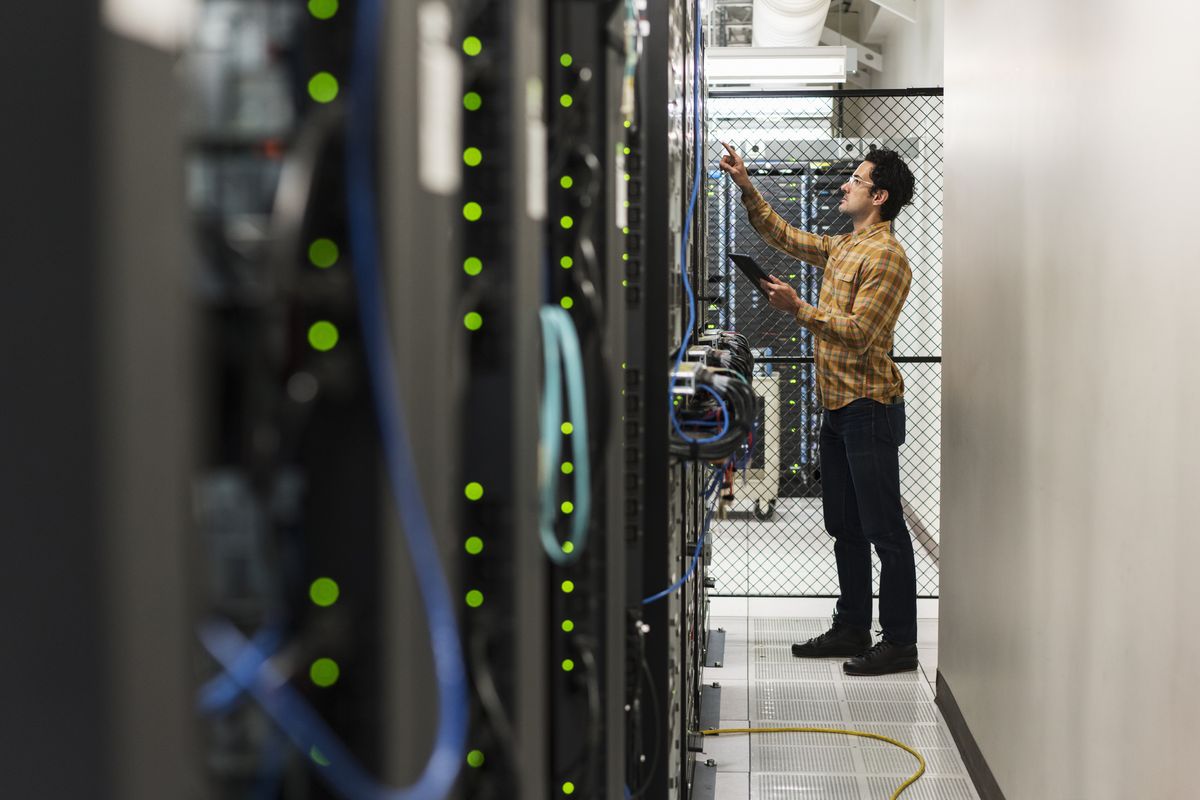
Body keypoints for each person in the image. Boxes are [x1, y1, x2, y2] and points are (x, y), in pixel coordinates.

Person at [718, 142, 919, 676]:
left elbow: (860, 334)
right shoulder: (844, 246)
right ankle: (852, 624)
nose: (845, 185)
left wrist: (798, 308)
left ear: (878, 196)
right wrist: (745, 184)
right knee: (844, 523)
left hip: (869, 407)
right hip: (836, 406)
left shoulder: (887, 258)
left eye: (856, 179)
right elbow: (784, 235)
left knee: (884, 530)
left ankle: (900, 641)